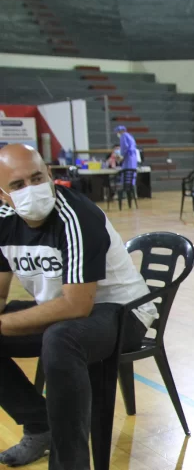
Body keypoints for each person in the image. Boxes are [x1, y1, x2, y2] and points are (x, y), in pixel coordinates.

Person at [0, 144, 158, 469]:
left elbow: (76, 307)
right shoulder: (2, 221)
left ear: (49, 174)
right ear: (2, 195)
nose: (31, 189)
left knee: (61, 338)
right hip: (62, 313)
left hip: (124, 312)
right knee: (58, 333)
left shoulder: (76, 215)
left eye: (37, 177)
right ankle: (39, 423)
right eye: (17, 186)